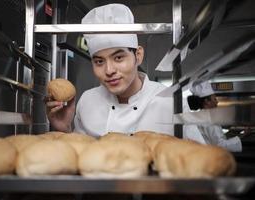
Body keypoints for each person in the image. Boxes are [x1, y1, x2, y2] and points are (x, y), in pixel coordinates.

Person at [46, 3, 175, 138]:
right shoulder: (87, 101)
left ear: (138, 56)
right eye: (99, 61)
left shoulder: (169, 101)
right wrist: (65, 129)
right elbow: (80, 154)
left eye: (118, 58)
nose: (109, 70)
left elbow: (195, 155)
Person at [187, 81, 242, 152]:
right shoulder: (209, 119)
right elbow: (220, 145)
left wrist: (231, 133)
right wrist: (242, 136)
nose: (217, 102)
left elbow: (210, 138)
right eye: (215, 99)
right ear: (207, 101)